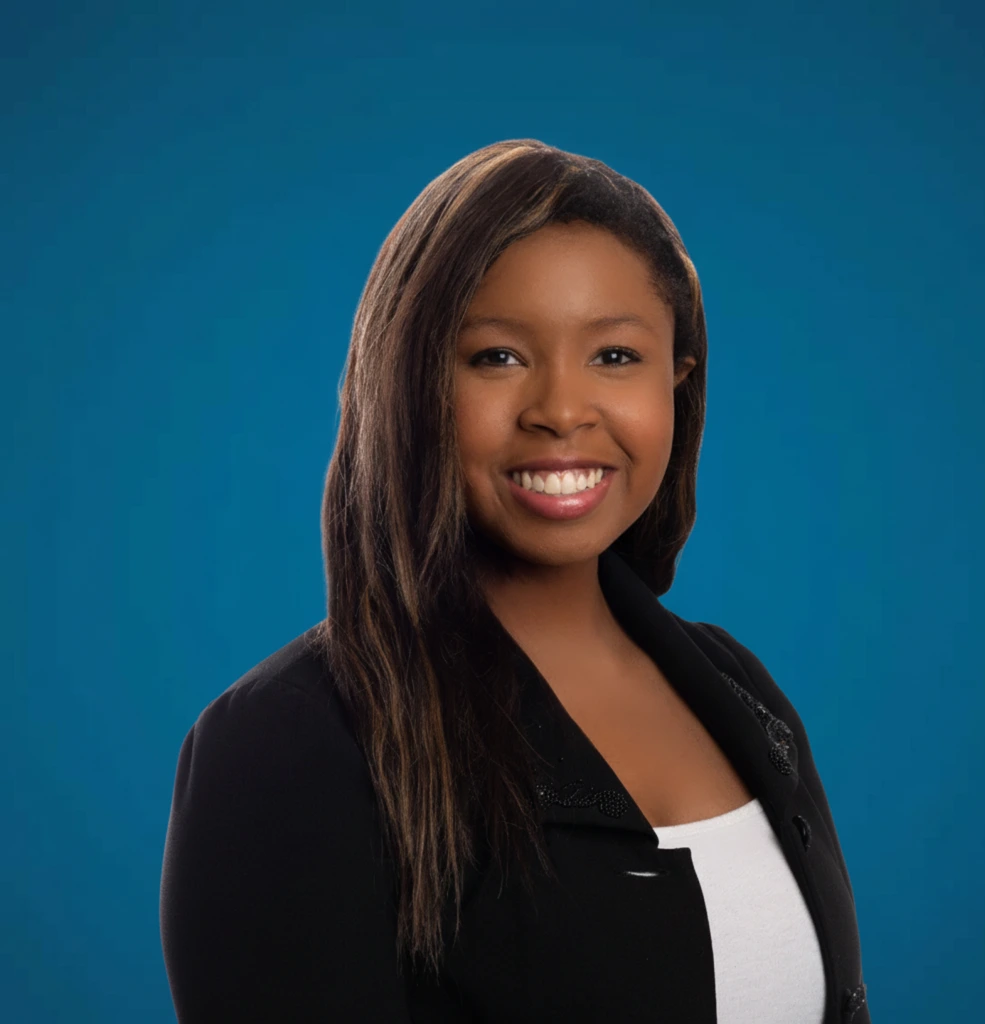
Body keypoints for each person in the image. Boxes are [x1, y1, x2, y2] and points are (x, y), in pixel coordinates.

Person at [159, 139, 870, 1023]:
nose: (562, 410)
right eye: (496, 357)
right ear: (410, 386)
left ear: (678, 383)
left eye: (615, 357)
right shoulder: (291, 741)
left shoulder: (736, 685)